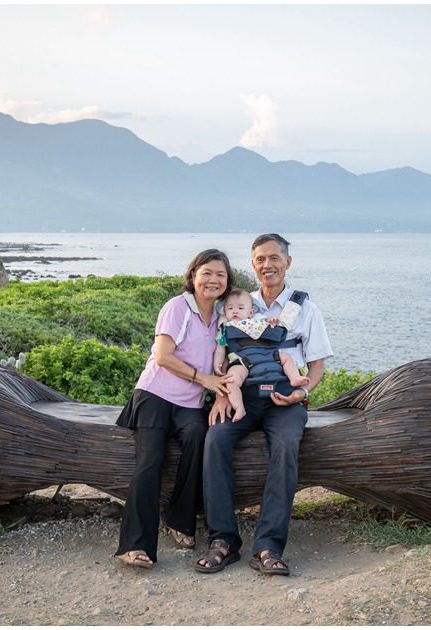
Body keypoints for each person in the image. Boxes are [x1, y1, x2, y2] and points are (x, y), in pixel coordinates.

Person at [196, 233, 333, 576]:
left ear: (288, 262)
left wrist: (302, 393)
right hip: (243, 395)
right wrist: (224, 393)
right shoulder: (241, 302)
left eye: (274, 258)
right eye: (260, 259)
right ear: (253, 264)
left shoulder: (304, 308)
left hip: (285, 400)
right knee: (214, 440)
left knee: (286, 447)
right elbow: (226, 352)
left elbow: (316, 365)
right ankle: (223, 541)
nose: (267, 265)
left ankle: (268, 546)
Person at [112, 249, 236, 569]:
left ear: (227, 281)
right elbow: (164, 356)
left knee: (198, 439)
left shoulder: (223, 316)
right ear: (193, 275)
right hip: (155, 394)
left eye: (220, 275)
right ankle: (135, 545)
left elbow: (228, 361)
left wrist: (222, 392)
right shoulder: (177, 306)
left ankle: (179, 520)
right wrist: (203, 379)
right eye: (206, 272)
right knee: (150, 460)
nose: (213, 280)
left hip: (189, 403)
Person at [213, 288, 310, 423]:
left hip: (269, 355)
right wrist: (217, 365)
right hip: (241, 360)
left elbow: (274, 324)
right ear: (224, 311)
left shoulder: (259, 320)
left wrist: (274, 321)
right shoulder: (225, 328)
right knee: (232, 380)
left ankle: (295, 378)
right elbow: (220, 349)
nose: (235, 311)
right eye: (230, 309)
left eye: (240, 308)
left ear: (251, 312)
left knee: (286, 357)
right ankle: (239, 407)